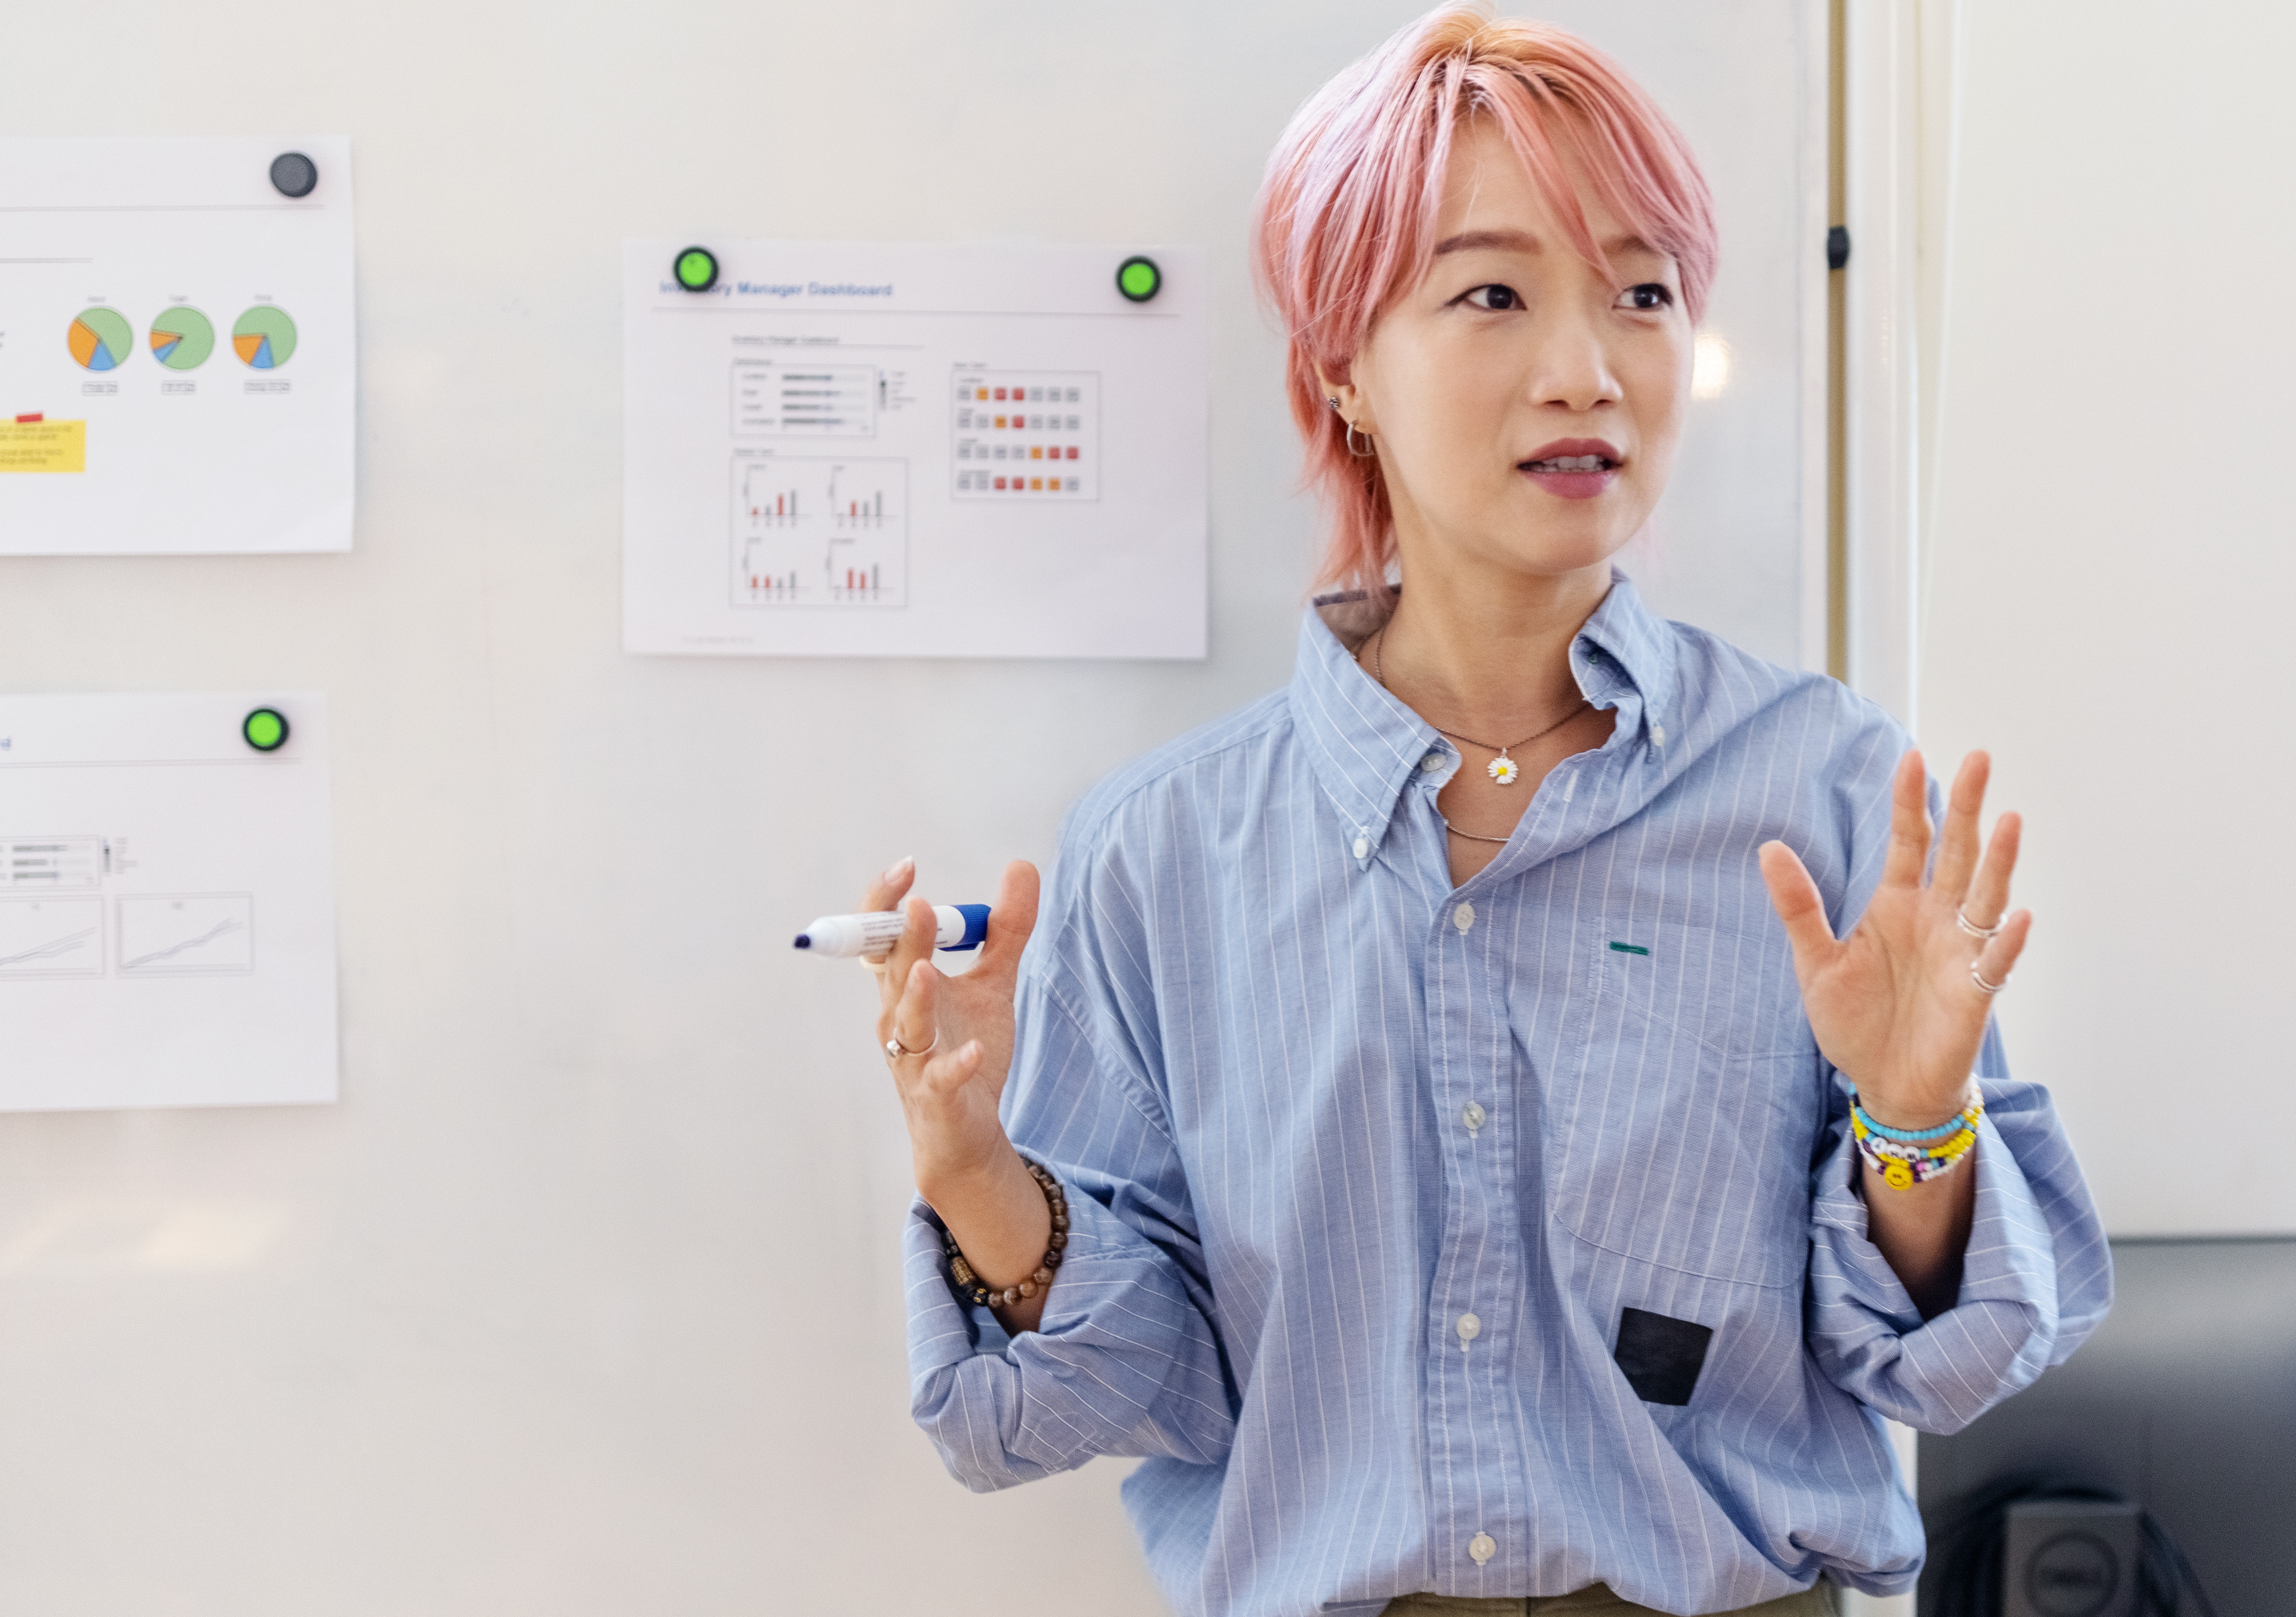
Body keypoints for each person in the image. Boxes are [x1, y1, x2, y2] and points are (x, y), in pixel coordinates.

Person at [859, 9, 2107, 1614]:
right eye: (1493, 292)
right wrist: (974, 1170)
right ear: (1341, 369)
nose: (1587, 369)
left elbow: (1936, 1360)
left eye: (1643, 292)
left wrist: (1917, 1127)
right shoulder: (1163, 850)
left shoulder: (1830, 789)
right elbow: (1144, 1389)